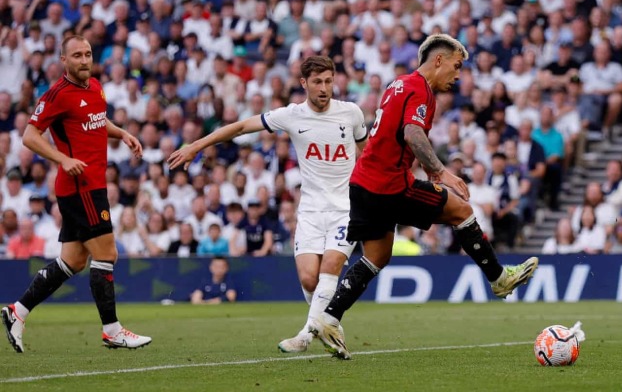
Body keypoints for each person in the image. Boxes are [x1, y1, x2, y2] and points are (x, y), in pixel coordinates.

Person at [308, 34, 539, 360]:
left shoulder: (397, 83)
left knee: (376, 256)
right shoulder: (421, 91)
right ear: (439, 60)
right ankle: (500, 278)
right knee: (461, 210)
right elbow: (412, 133)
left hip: (362, 183)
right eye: (456, 67)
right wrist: (439, 172)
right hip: (389, 185)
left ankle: (329, 318)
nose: (458, 76)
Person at [168, 55, 368, 353]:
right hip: (311, 211)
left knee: (329, 270)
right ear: (304, 83)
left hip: (345, 209)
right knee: (309, 278)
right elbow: (240, 128)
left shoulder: (351, 113)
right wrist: (196, 145)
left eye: (329, 81)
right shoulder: (291, 115)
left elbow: (366, 151)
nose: (325, 88)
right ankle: (331, 326)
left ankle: (305, 335)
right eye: (317, 82)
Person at [1, 35, 151, 354]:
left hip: (91, 185)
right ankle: (111, 331)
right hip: (80, 186)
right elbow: (29, 135)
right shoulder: (57, 94)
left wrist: (122, 133)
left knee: (73, 260)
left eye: (88, 54)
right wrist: (62, 158)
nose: (84, 60)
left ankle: (17, 312)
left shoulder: (94, 86)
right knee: (107, 254)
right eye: (77, 55)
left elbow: (96, 121)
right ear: (63, 60)